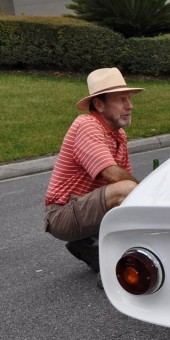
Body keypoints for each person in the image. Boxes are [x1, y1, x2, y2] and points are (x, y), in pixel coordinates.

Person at [44, 68, 141, 274]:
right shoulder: (87, 125)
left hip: (81, 206)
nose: (130, 106)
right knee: (127, 190)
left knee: (129, 192)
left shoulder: (118, 134)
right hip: (62, 213)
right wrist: (147, 192)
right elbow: (114, 176)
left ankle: (89, 245)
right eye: (122, 100)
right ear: (99, 104)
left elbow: (124, 181)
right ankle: (120, 265)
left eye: (129, 99)